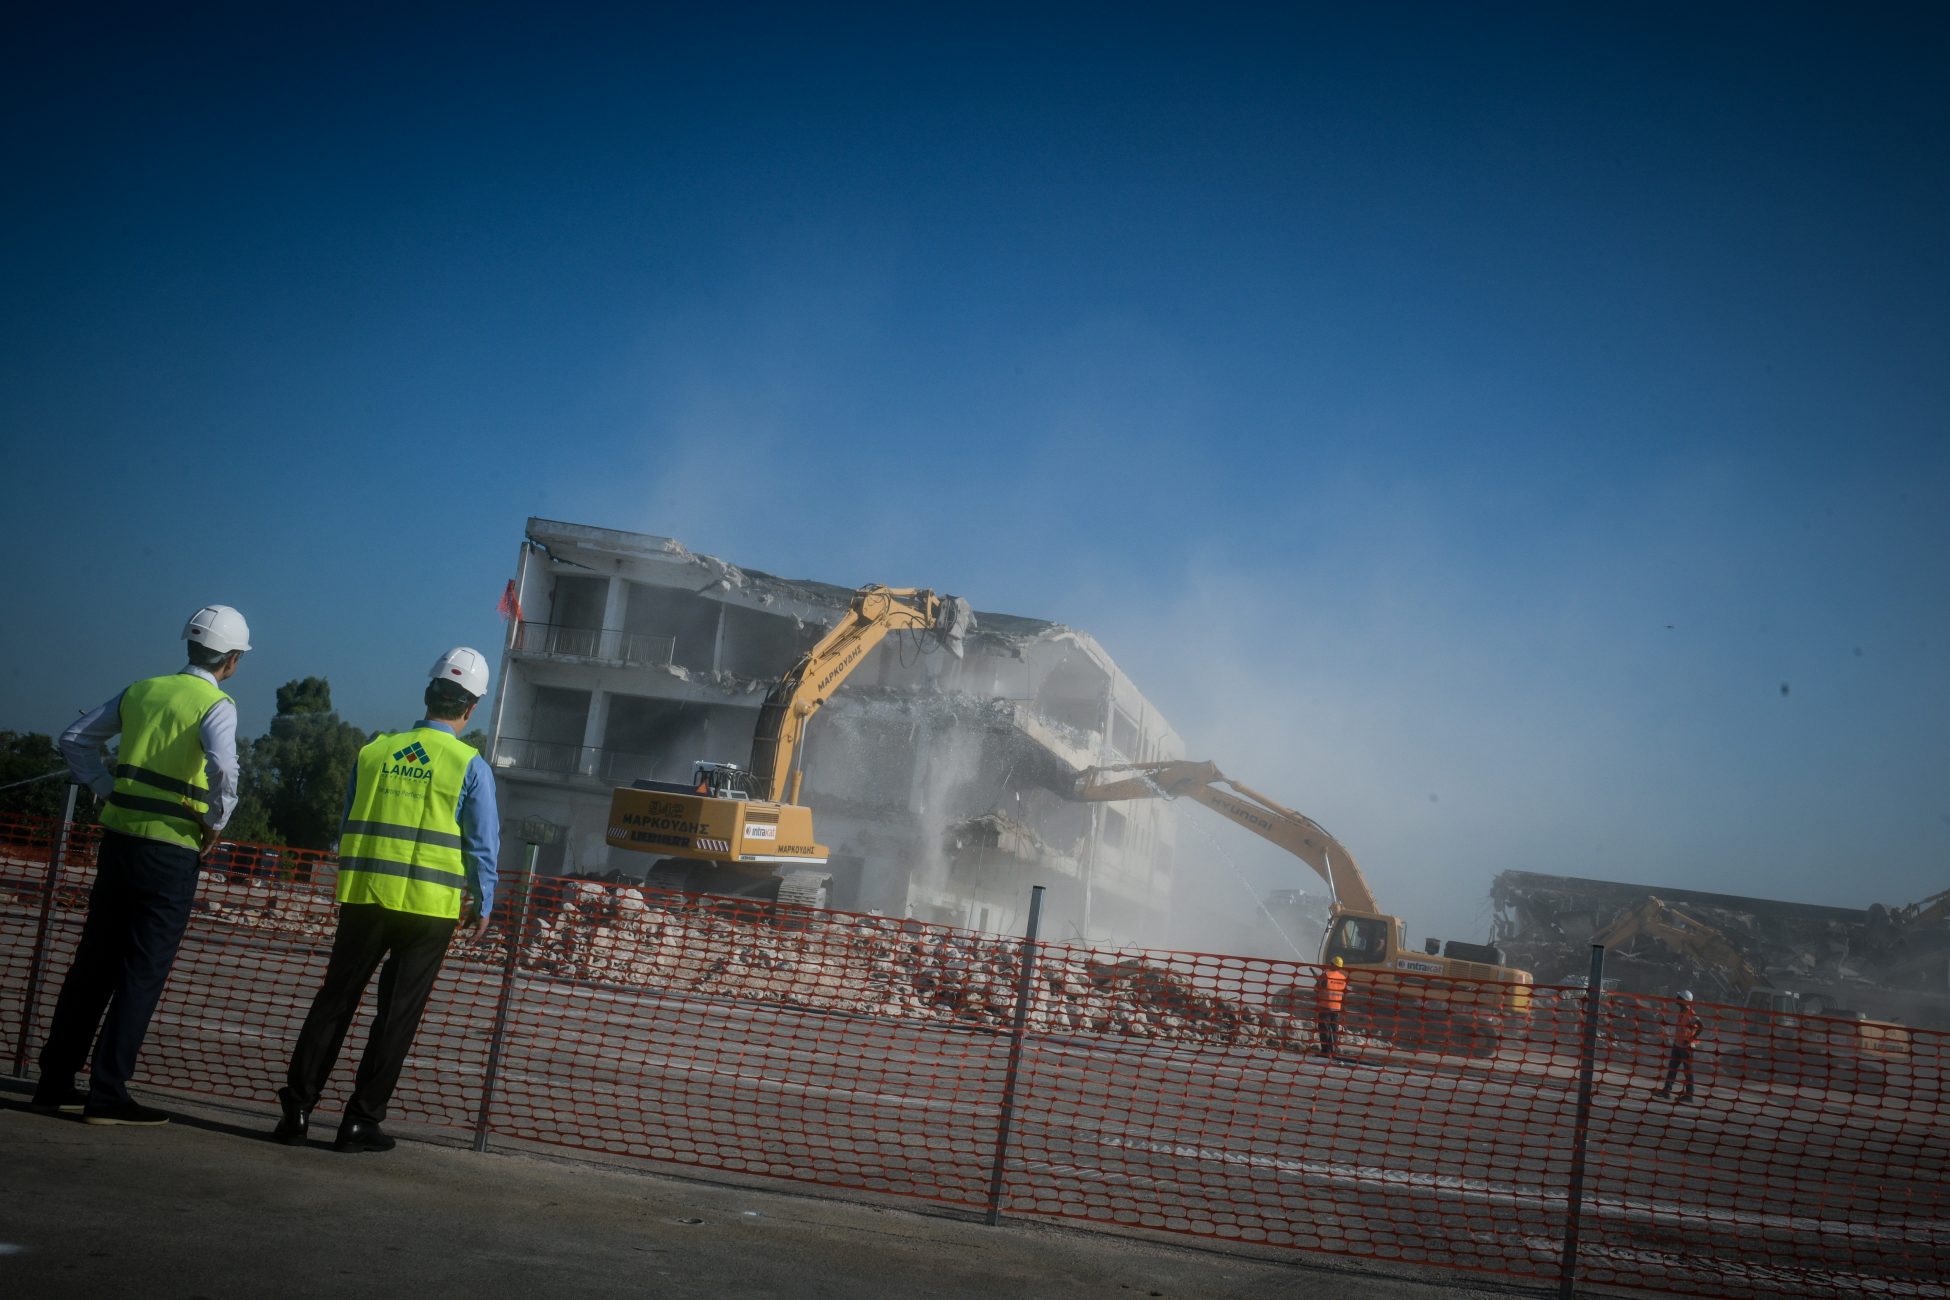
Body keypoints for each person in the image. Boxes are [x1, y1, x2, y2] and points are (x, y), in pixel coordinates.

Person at [274, 647, 499, 1153]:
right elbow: (482, 845)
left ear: (426, 695)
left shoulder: (374, 751)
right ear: (471, 708)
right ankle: (359, 1122)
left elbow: (348, 821)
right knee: (395, 1017)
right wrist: (484, 905)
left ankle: (297, 1110)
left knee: (334, 1002)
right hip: (428, 911)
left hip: (365, 899)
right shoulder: (470, 766)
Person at [33, 605, 251, 1125]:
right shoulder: (216, 705)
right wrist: (217, 823)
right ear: (234, 659)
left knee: (92, 964)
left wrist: (106, 789)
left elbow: (74, 739)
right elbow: (223, 766)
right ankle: (107, 1094)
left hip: (118, 843)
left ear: (190, 647)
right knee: (140, 974)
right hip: (171, 852)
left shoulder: (141, 690)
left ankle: (53, 1083)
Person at [1655, 989, 1704, 1102]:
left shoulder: (1691, 1013)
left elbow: (1701, 1026)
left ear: (1685, 1001)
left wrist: (1691, 1038)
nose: (1677, 999)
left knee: (1688, 1071)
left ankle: (1689, 1095)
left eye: (1679, 998)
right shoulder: (1682, 1012)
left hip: (1687, 1047)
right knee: (1672, 1069)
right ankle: (1666, 1091)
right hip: (1678, 1045)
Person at [1315, 955, 1348, 1059]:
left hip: (1325, 1006)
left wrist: (1318, 982)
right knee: (1334, 1030)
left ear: (1333, 965)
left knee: (1324, 1029)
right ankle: (1334, 1050)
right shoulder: (1343, 978)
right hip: (1336, 1008)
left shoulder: (1326, 975)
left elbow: (1317, 989)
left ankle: (1326, 1051)